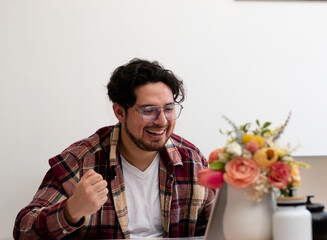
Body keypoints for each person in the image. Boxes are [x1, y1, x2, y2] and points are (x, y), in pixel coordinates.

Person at [13, 58, 216, 239]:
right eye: (148, 111)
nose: (162, 121)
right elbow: (23, 231)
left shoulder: (192, 161)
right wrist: (71, 211)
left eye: (169, 109)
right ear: (119, 112)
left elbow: (219, 228)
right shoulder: (80, 161)